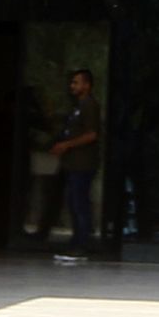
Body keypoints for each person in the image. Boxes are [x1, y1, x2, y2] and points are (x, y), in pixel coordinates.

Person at [47, 69, 102, 260]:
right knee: (73, 202)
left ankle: (81, 245)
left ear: (87, 85)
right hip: (72, 163)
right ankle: (76, 242)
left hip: (83, 164)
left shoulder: (89, 105)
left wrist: (66, 144)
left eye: (76, 82)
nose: (73, 86)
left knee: (79, 203)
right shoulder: (77, 106)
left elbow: (92, 134)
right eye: (72, 82)